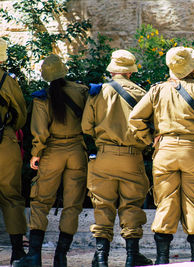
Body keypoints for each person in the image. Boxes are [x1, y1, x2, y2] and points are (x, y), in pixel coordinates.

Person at [128, 46, 194, 264]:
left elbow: (135, 118)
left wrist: (149, 139)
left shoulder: (157, 90)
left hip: (165, 151)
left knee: (166, 202)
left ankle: (162, 260)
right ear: (192, 67)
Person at [13, 54, 88, 267]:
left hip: (52, 151)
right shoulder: (81, 91)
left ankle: (34, 256)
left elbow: (40, 130)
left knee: (40, 201)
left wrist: (36, 153)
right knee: (73, 204)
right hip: (76, 150)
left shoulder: (42, 97)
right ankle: (61, 257)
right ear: (64, 70)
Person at [81, 49, 152, 267]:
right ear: (130, 72)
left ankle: (101, 257)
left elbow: (86, 126)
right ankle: (132, 256)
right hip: (132, 157)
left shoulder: (98, 92)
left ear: (112, 70)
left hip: (104, 156)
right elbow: (150, 130)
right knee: (132, 205)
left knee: (102, 205)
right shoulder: (143, 94)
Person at [0, 38, 28, 265]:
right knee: (11, 196)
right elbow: (20, 113)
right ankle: (18, 253)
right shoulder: (6, 80)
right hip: (3, 141)